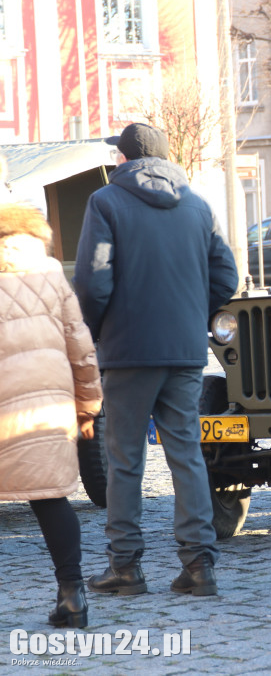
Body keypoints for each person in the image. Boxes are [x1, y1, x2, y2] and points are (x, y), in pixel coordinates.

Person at [74, 123, 239, 596]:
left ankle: (125, 568)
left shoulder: (105, 201)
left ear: (122, 159)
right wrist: (193, 315)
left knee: (125, 459)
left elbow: (92, 282)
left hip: (128, 351)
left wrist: (98, 330)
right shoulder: (198, 204)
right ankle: (199, 566)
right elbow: (226, 276)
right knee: (186, 454)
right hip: (186, 350)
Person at [0, 202, 103, 628]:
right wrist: (88, 406)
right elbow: (80, 347)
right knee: (50, 498)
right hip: (48, 403)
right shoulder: (50, 273)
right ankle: (73, 597)